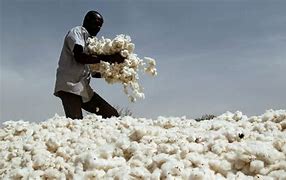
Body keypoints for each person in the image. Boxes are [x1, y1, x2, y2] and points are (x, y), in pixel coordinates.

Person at [54, 10, 125, 119]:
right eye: (96, 23)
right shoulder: (78, 32)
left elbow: (95, 73)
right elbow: (79, 56)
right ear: (86, 21)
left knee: (112, 115)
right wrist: (109, 58)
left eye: (100, 25)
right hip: (70, 87)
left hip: (84, 89)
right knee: (76, 123)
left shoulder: (91, 43)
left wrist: (116, 73)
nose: (98, 27)